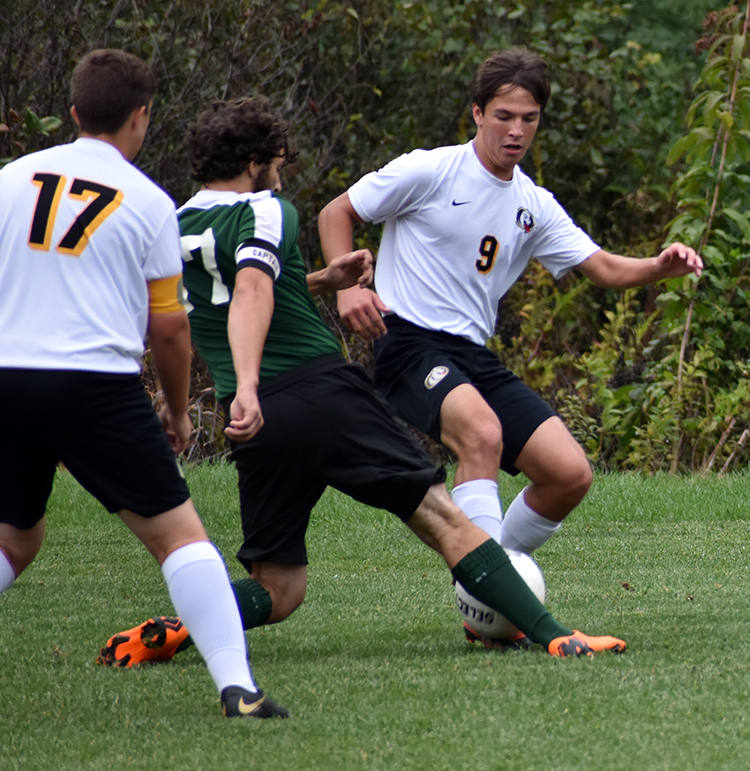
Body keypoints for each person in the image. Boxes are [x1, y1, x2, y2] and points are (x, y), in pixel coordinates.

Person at [97, 96, 626, 673]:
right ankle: (555, 636)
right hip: (322, 393)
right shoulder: (267, 210)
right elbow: (251, 290)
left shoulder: (173, 227)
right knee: (444, 519)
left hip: (255, 421)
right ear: (253, 164)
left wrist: (324, 281)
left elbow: (211, 305)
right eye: (277, 164)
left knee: (279, 587)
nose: (281, 176)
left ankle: (180, 628)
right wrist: (250, 379)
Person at [317, 48, 703, 633]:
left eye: (528, 118)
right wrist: (348, 290)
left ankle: (486, 588)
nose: (516, 130)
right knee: (482, 435)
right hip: (408, 343)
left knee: (569, 474)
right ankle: (491, 589)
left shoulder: (532, 204)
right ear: (477, 112)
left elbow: (602, 267)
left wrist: (659, 266)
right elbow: (336, 212)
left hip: (472, 355)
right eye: (503, 116)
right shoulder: (431, 170)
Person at [0, 50, 286, 719]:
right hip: (95, 385)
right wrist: (178, 411)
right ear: (141, 117)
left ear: (74, 111)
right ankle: (238, 689)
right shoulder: (150, 202)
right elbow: (169, 329)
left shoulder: (9, 179)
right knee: (180, 539)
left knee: (14, 538)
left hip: (9, 377)